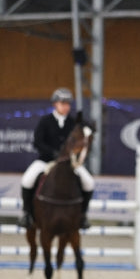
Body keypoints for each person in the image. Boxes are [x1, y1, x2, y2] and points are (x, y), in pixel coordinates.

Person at [18, 87, 95, 230]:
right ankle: (26, 214)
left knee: (89, 182)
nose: (66, 106)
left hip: (69, 163)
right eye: (62, 103)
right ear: (55, 104)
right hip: (46, 160)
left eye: (68, 104)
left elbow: (80, 140)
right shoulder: (45, 121)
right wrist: (52, 153)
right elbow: (38, 142)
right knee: (27, 180)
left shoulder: (73, 123)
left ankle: (83, 215)